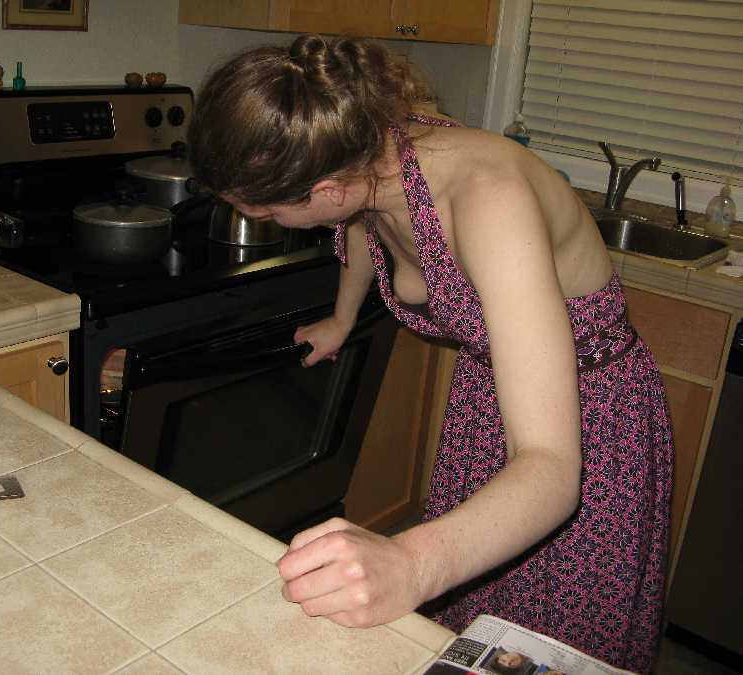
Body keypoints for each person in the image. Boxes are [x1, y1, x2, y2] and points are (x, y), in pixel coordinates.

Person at [186, 34, 673, 674]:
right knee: (474, 632)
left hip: (590, 421)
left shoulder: (488, 199)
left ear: (327, 187)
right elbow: (364, 224)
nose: (263, 218)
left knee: (543, 641)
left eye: (268, 209)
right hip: (487, 406)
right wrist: (341, 317)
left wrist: (415, 563)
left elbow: (552, 469)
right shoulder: (372, 151)